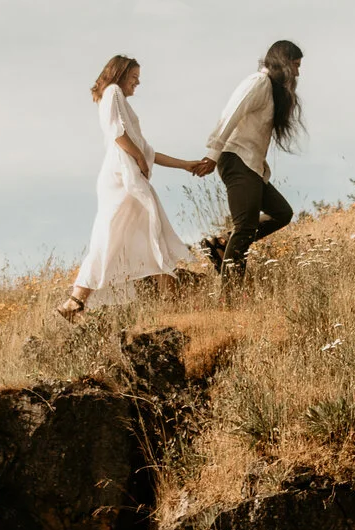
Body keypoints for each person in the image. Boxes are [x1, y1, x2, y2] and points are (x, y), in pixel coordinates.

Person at [60, 55, 215, 320]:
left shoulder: (116, 98)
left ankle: (79, 302)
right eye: (134, 77)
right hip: (122, 177)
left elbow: (146, 150)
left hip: (127, 175)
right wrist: (141, 160)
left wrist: (185, 165)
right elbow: (118, 134)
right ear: (120, 75)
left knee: (145, 231)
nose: (138, 83)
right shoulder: (113, 91)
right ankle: (76, 300)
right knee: (121, 233)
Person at [202, 40, 302, 275]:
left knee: (282, 213)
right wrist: (212, 153)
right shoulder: (257, 82)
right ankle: (230, 299)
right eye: (295, 65)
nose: (297, 72)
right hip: (237, 159)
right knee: (245, 228)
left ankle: (222, 244)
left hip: (252, 165)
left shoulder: (272, 89)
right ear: (283, 63)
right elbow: (230, 114)